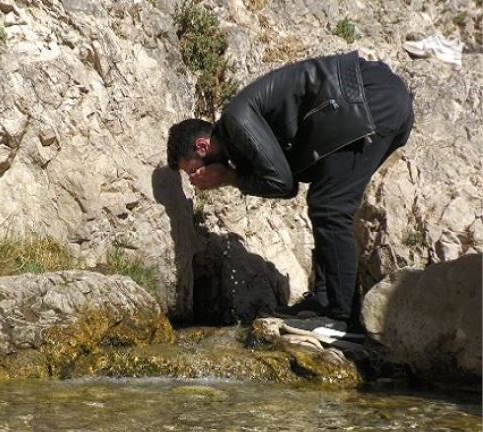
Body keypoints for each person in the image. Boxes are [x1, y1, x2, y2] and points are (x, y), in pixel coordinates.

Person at [166, 50, 414, 337]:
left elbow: (283, 184)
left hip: (366, 99)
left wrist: (228, 177)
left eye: (193, 171)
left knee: (330, 206)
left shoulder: (237, 121)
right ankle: (324, 299)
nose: (196, 180)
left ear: (201, 147)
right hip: (368, 104)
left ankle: (339, 317)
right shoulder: (237, 138)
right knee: (325, 199)